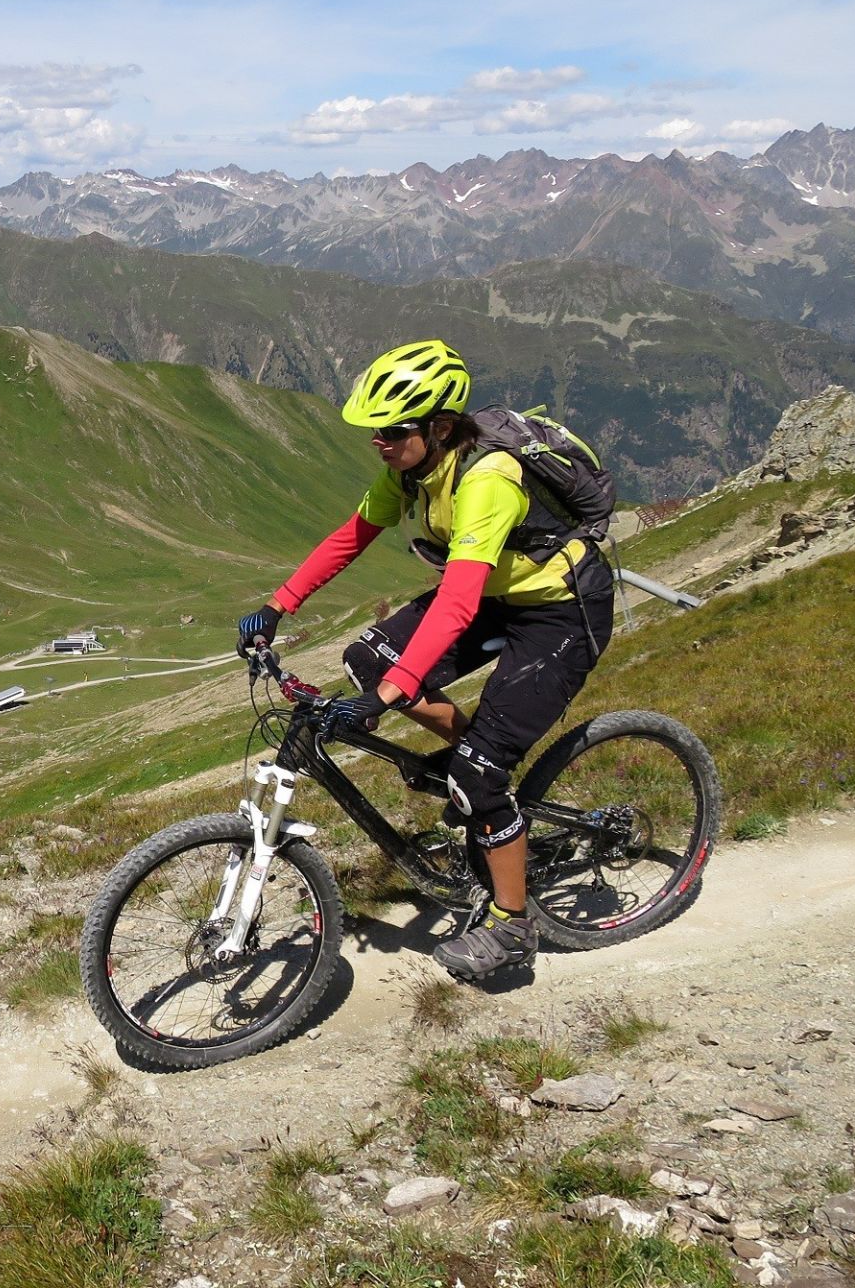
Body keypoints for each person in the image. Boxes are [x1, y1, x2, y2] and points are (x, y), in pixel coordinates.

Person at [235, 339, 615, 980]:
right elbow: (352, 535)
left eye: (391, 430)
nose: (377, 441)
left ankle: (512, 924)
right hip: (498, 596)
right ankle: (476, 768)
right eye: (375, 430)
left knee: (475, 772)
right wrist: (279, 606)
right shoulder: (411, 471)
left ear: (439, 428)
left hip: (560, 613)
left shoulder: (487, 480)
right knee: (368, 659)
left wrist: (390, 696)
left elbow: (457, 604)